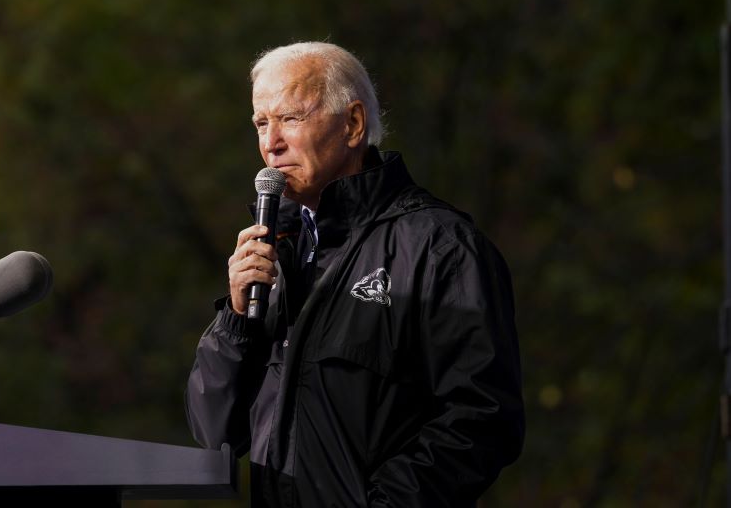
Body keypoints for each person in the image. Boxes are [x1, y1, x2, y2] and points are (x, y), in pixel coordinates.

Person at [185, 42, 524, 507]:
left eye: (291, 118)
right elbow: (217, 434)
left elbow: (483, 419)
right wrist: (238, 320)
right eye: (262, 123)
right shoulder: (274, 256)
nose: (271, 142)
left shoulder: (439, 246)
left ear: (353, 124)